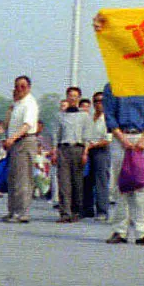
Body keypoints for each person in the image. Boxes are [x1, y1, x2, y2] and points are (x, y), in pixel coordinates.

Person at [100, 82, 144, 246]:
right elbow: (110, 115)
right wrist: (123, 139)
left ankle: (143, 231)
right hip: (121, 138)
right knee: (121, 186)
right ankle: (120, 230)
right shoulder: (112, 86)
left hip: (143, 137)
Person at [2, 75, 40, 223]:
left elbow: (27, 125)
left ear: (29, 87)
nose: (20, 89)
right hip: (14, 143)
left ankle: (22, 212)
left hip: (24, 141)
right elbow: (7, 125)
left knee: (23, 178)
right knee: (13, 178)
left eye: (23, 86)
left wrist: (13, 138)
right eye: (17, 86)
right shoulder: (17, 104)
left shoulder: (30, 103)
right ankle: (13, 210)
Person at [54, 86, 90, 223]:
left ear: (79, 98)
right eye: (70, 96)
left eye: (75, 96)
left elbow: (87, 135)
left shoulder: (84, 116)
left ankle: (76, 211)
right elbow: (56, 135)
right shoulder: (60, 116)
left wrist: (85, 152)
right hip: (64, 148)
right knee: (63, 182)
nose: (73, 98)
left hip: (78, 149)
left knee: (77, 182)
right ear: (67, 97)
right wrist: (54, 151)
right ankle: (65, 212)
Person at [84, 91, 111, 221]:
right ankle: (87, 208)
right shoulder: (89, 118)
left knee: (101, 181)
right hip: (89, 150)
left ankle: (102, 210)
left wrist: (92, 145)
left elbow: (108, 139)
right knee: (87, 180)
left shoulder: (108, 118)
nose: (98, 104)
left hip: (101, 150)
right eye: (96, 101)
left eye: (101, 101)